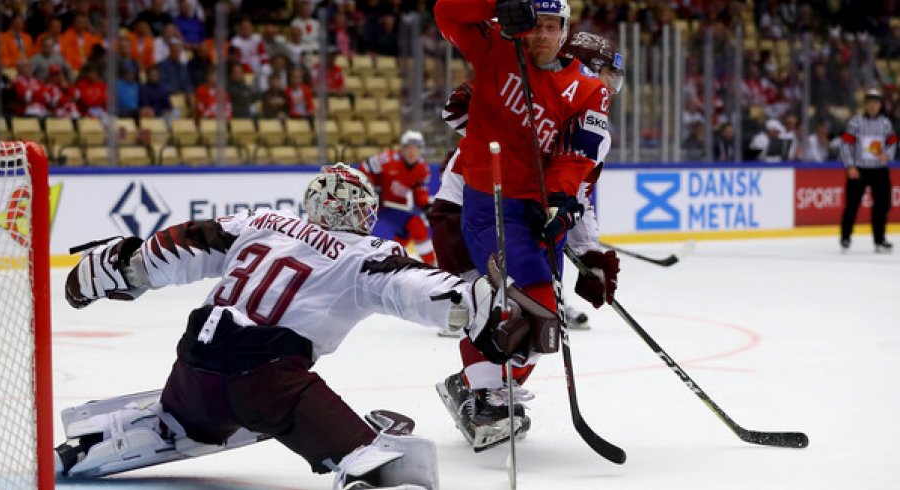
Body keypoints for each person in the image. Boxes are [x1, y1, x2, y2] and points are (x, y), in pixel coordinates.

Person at [55, 163, 545, 489]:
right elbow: (415, 287)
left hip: (192, 370)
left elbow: (181, 245)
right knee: (368, 460)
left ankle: (164, 424)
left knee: (190, 414)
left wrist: (120, 268)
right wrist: (484, 307)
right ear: (360, 211)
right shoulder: (361, 253)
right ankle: (356, 462)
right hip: (268, 383)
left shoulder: (260, 221)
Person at [432, 0, 624, 450]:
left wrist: (584, 242)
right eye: (536, 25)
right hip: (484, 202)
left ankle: (486, 387)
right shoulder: (501, 47)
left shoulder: (586, 92)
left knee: (545, 320)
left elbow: (578, 173)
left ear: (564, 32)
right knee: (522, 308)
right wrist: (496, 6)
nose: (542, 34)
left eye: (551, 26)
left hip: (541, 216)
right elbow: (447, 12)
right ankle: (484, 392)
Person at [360, 130, 436, 265]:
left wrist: (425, 205)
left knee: (404, 235)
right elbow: (364, 169)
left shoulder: (422, 168)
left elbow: (420, 192)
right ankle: (433, 266)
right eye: (408, 147)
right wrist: (372, 189)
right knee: (416, 225)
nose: (412, 152)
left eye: (416, 148)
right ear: (402, 148)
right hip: (380, 205)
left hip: (398, 206)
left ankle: (387, 262)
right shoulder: (387, 159)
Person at [839, 88, 896, 253]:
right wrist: (850, 166)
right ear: (865, 105)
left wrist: (888, 154)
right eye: (869, 103)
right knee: (852, 205)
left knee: (882, 205)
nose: (872, 106)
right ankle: (845, 237)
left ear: (880, 105)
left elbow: (892, 142)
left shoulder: (886, 123)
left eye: (876, 103)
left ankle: (880, 239)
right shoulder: (855, 122)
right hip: (859, 170)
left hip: (879, 170)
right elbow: (845, 144)